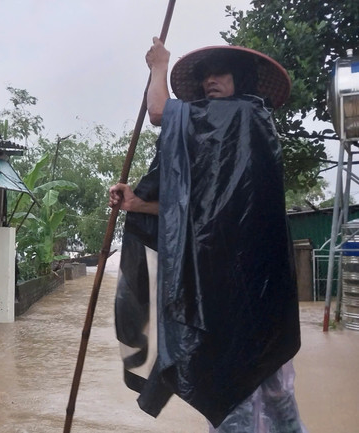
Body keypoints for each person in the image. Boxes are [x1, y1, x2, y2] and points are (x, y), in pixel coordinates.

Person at [109, 38, 307, 432]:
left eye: (220, 72)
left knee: (244, 383)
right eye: (204, 76)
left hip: (248, 285)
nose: (209, 81)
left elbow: (159, 112)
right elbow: (195, 207)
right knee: (266, 386)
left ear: (241, 77)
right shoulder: (219, 135)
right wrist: (137, 203)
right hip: (224, 286)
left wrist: (159, 66)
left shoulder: (246, 115)